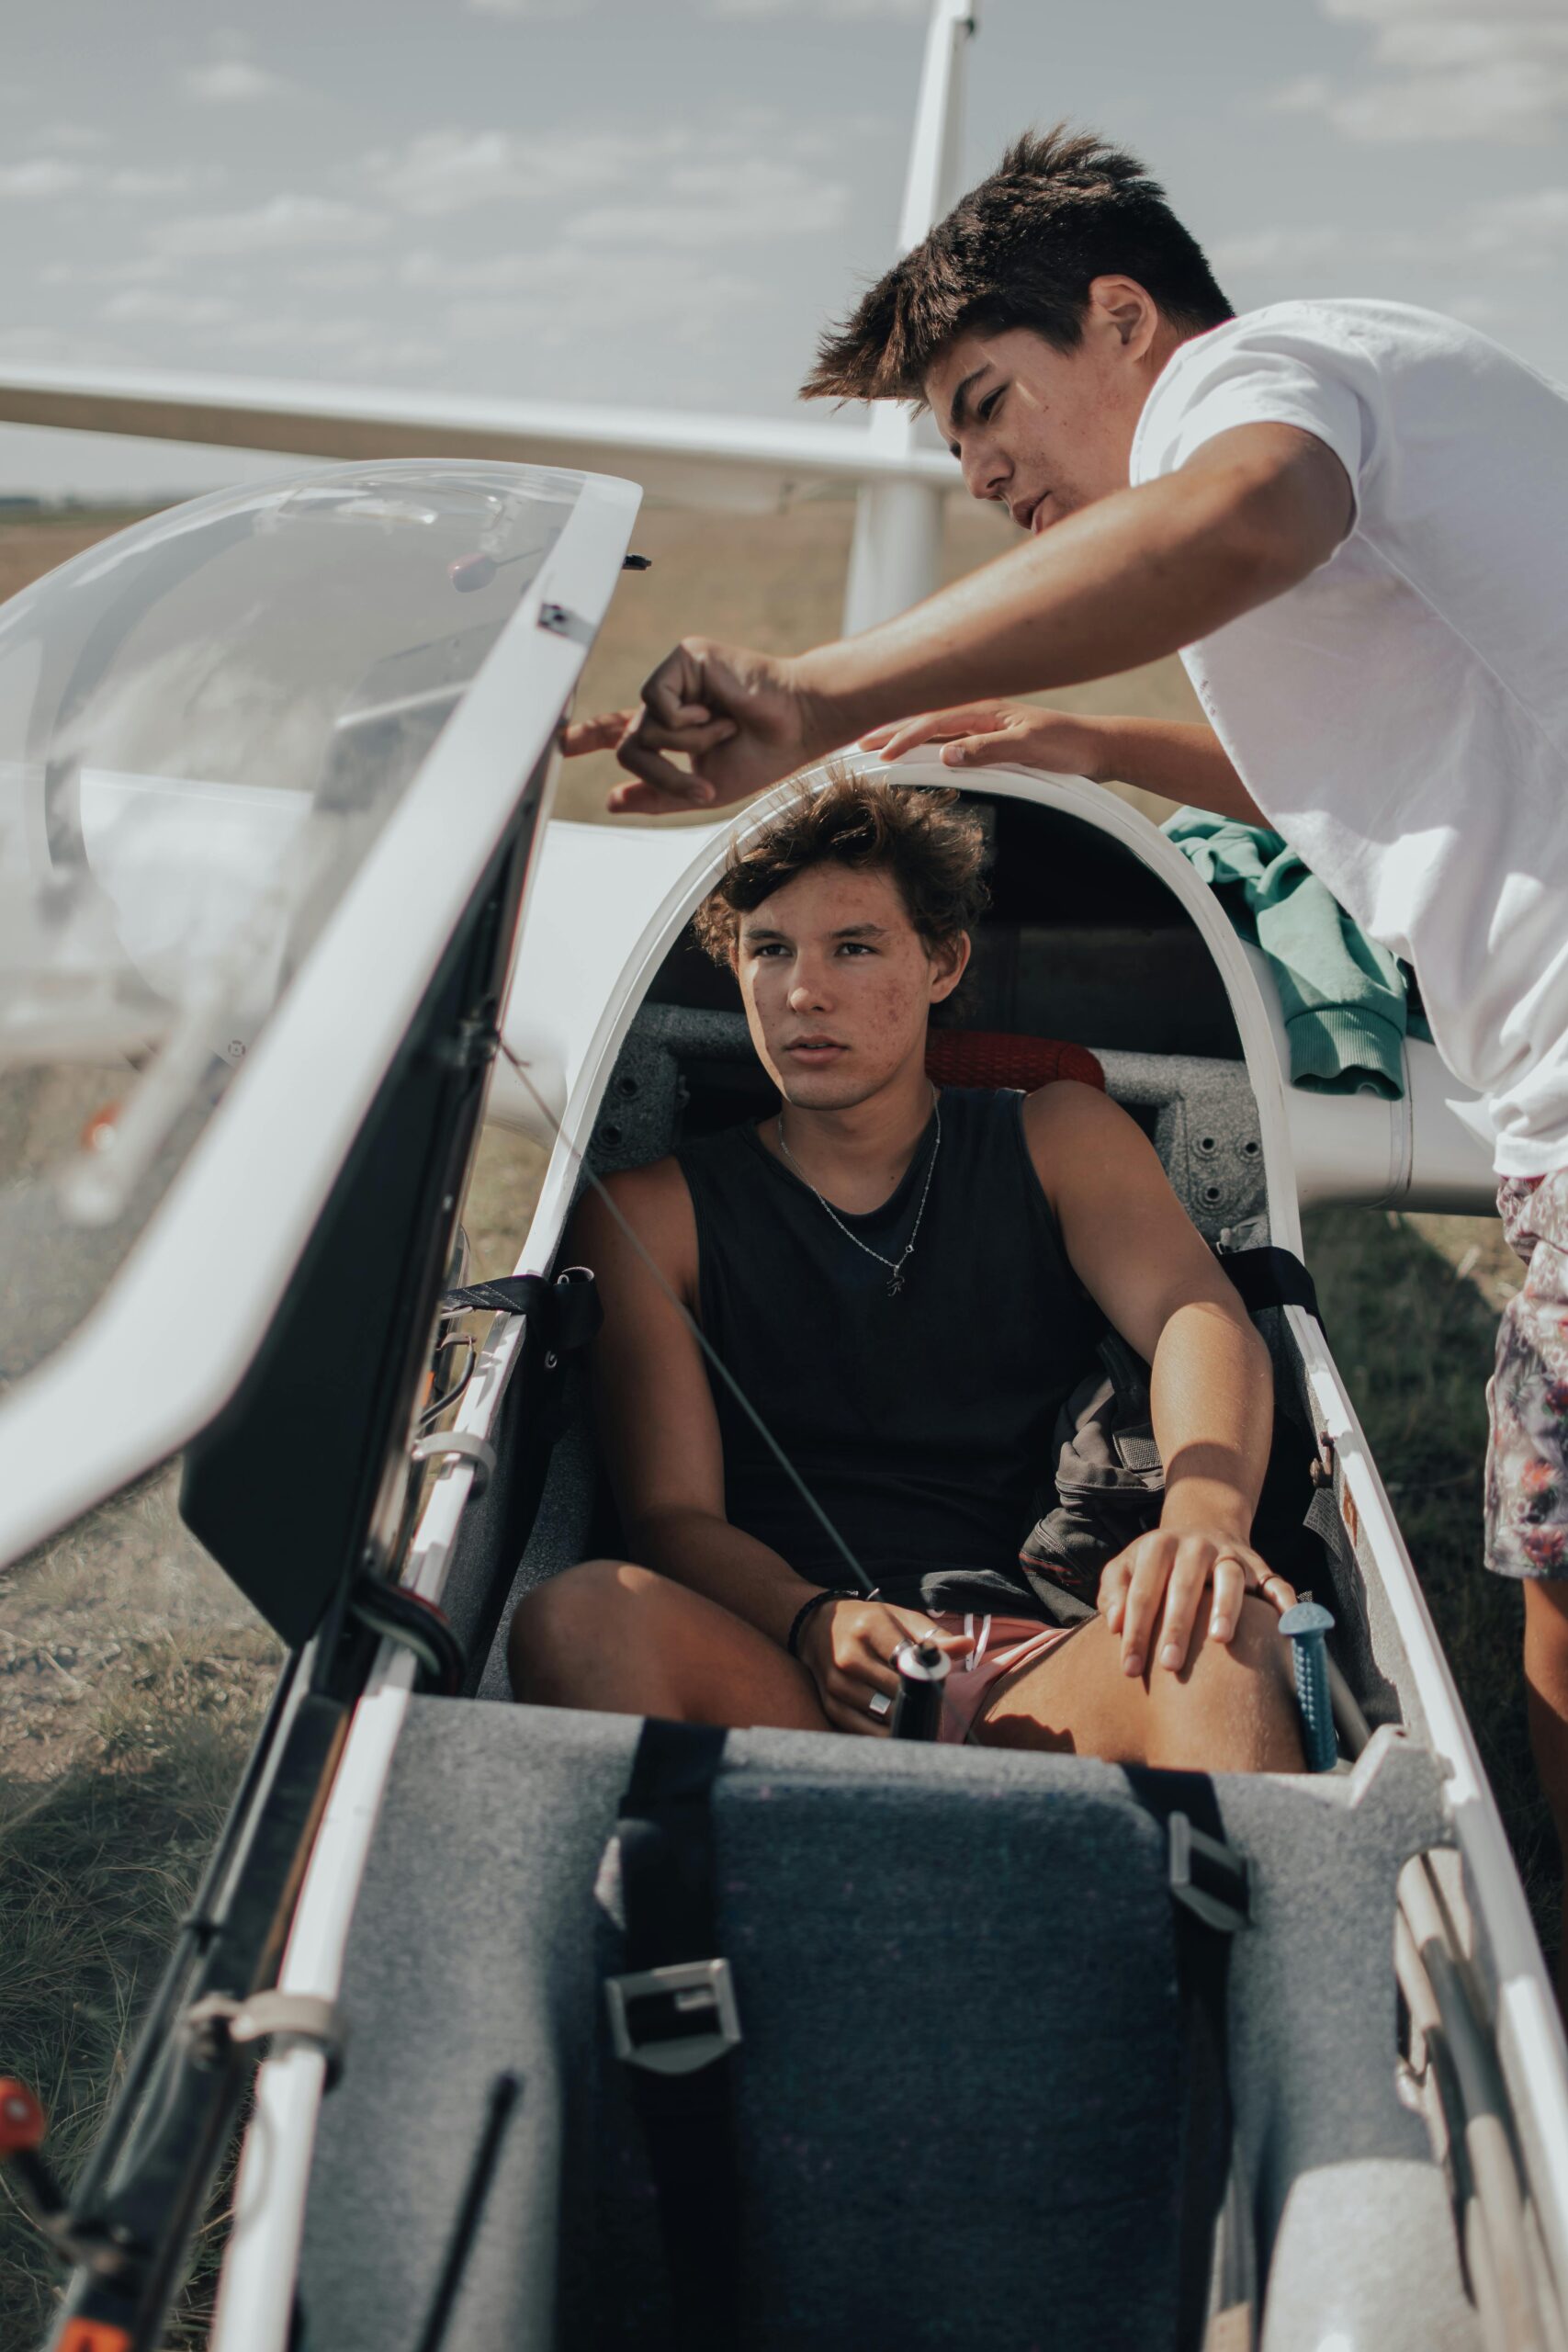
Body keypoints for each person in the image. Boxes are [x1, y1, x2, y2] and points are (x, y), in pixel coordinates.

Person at [567, 127, 1568, 1969]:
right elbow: (1360, 752)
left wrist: (816, 699)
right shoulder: (1339, 437)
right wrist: (1111, 750)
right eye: (948, 440)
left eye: (984, 403)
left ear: (1121, 316)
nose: (980, 470)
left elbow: (1240, 515)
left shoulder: (1254, 397)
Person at [512, 773, 1303, 1770]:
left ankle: (1181, 1910)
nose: (804, 990)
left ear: (941, 961)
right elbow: (671, 1517)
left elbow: (1197, 1309)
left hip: (1036, 1667)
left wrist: (1204, 1517)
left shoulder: (1059, 1134)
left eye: (854, 946)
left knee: (1229, 1642)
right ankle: (699, 1908)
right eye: (770, 949)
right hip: (783, 1667)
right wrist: (811, 1620)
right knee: (580, 1616)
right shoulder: (648, 1215)